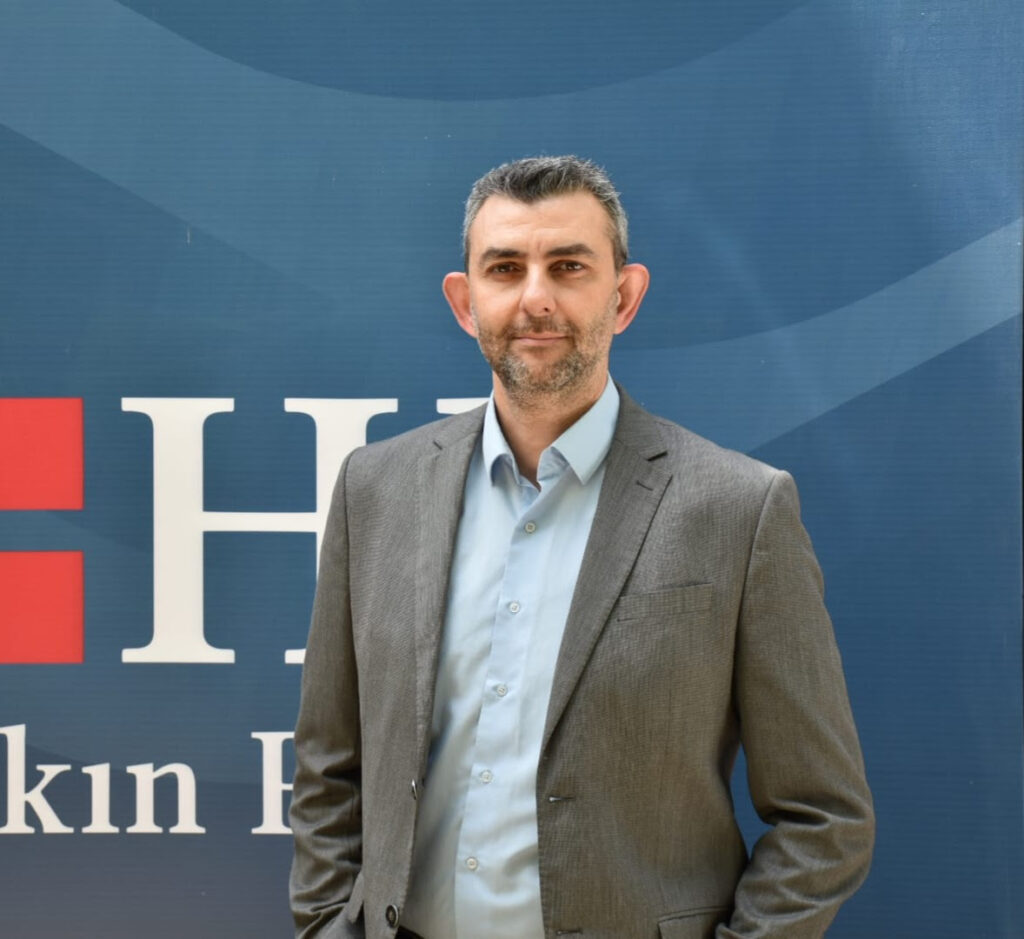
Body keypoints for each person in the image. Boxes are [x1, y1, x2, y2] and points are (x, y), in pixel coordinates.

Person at [289, 156, 874, 939]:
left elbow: (824, 817)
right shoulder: (376, 488)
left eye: (568, 267)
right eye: (505, 268)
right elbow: (330, 766)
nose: (536, 297)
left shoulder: (739, 509)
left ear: (624, 296)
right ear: (464, 302)